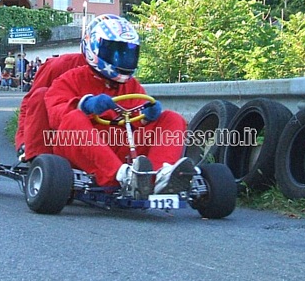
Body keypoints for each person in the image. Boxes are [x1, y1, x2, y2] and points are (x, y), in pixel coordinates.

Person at [43, 15, 196, 197]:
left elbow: (138, 120)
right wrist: (85, 106)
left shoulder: (131, 86)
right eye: (115, 52)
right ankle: (122, 177)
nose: (122, 58)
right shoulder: (69, 80)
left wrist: (148, 115)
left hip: (122, 147)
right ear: (94, 47)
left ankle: (156, 177)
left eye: (127, 53)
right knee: (73, 118)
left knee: (172, 118)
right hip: (81, 151)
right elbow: (55, 117)